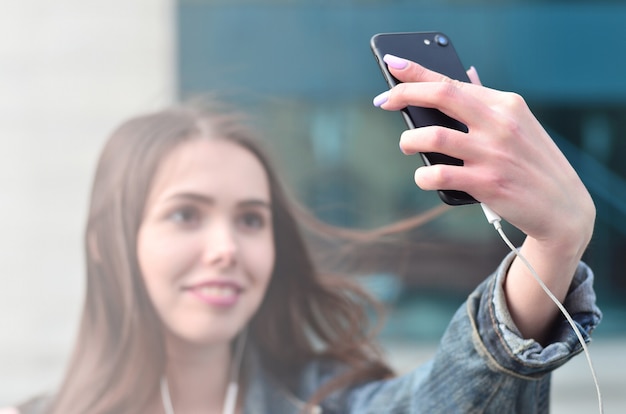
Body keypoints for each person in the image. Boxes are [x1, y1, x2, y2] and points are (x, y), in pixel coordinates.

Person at [3, 55, 601, 414]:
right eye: (186, 214)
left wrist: (552, 245)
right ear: (111, 243)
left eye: (250, 219)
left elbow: (446, 399)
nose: (225, 248)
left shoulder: (332, 403)